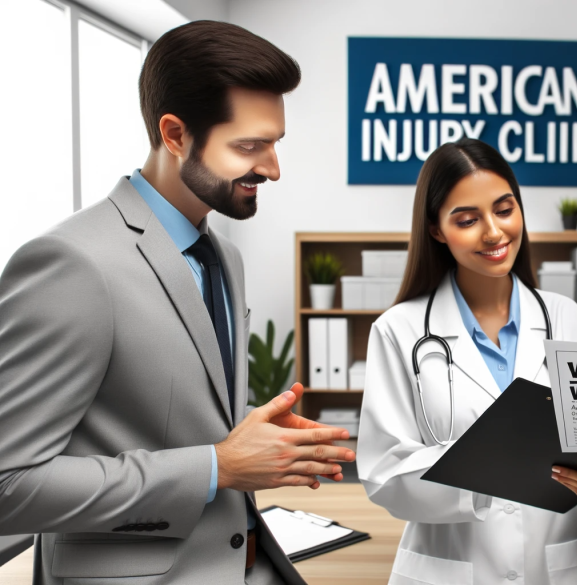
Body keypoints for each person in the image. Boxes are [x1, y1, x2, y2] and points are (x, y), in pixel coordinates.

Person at [0, 21, 354, 585]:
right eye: (248, 146)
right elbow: (8, 485)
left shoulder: (224, 258)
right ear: (174, 134)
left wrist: (253, 436)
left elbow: (158, 414)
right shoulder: (72, 264)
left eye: (274, 143)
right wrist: (218, 466)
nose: (272, 168)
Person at [357, 138, 577, 585]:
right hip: (450, 570)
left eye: (505, 210)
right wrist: (487, 469)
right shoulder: (399, 330)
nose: (494, 233)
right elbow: (383, 473)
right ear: (437, 230)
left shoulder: (566, 320)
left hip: (562, 568)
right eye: (467, 219)